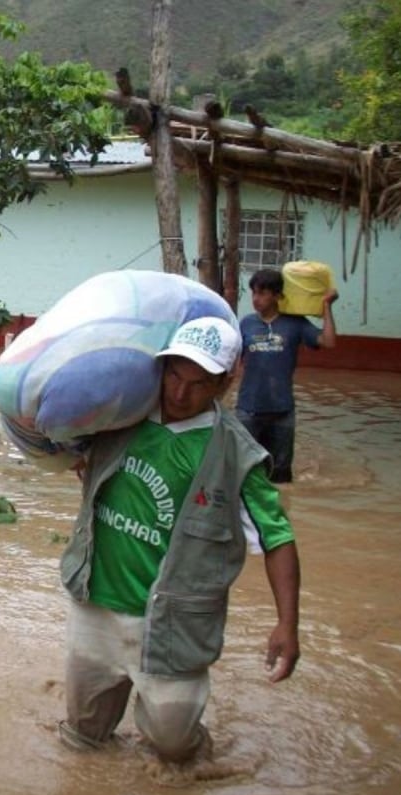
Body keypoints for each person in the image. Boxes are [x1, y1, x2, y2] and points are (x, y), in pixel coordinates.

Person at [57, 316, 301, 764]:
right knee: (82, 735)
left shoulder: (235, 455)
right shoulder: (121, 415)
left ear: (225, 383)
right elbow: (55, 436)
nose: (179, 393)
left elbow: (278, 538)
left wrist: (287, 624)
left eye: (198, 383)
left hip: (172, 626)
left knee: (173, 748)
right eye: (173, 375)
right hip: (96, 604)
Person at [236, 268, 338, 483]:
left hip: (282, 412)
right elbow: (231, 361)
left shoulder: (295, 324)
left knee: (281, 476)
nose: (256, 299)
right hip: (248, 410)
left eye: (262, 293)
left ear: (277, 296)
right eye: (254, 293)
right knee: (243, 473)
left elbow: (328, 342)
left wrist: (327, 307)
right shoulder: (246, 323)